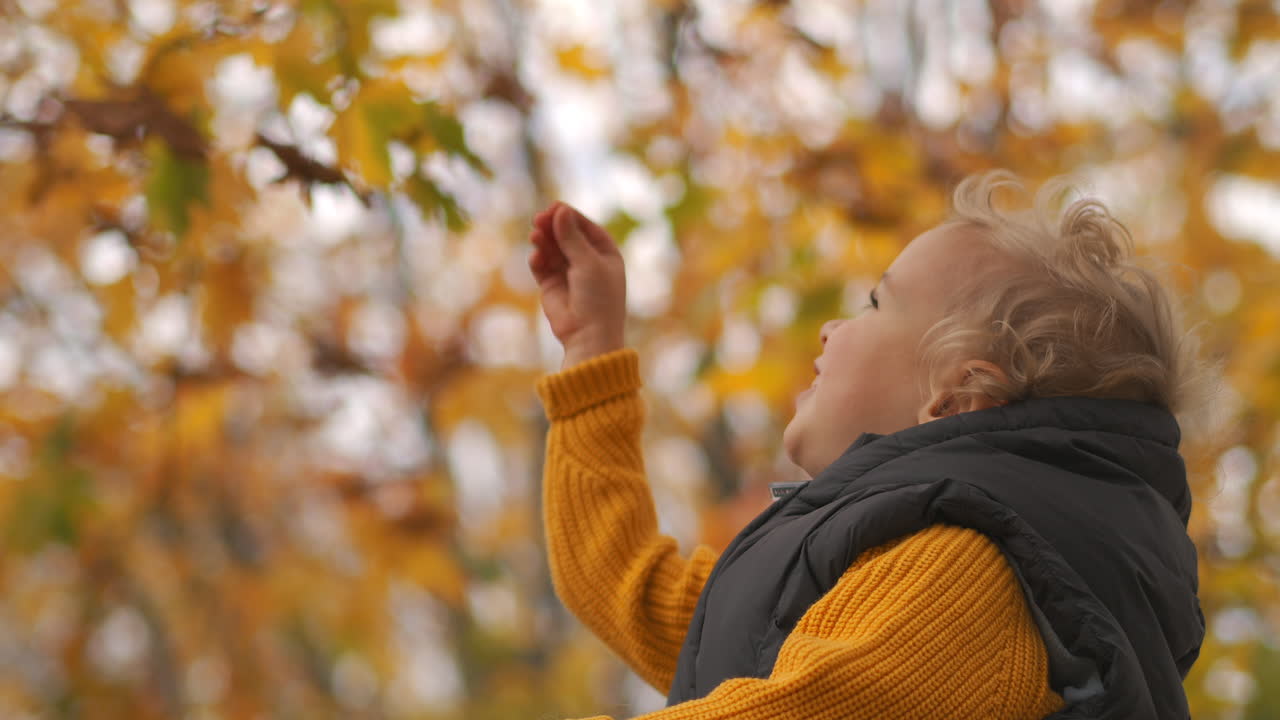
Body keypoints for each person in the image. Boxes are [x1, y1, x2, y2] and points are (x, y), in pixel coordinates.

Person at [527, 170, 1215, 720]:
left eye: (874, 303)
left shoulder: (968, 574)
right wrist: (591, 352)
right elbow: (629, 587)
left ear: (955, 396)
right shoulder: (859, 577)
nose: (830, 328)